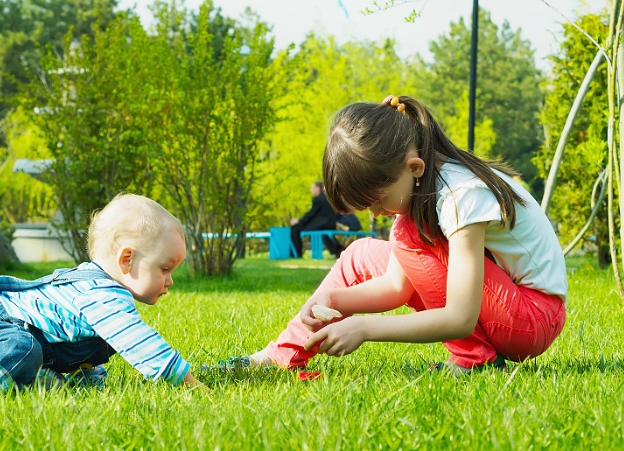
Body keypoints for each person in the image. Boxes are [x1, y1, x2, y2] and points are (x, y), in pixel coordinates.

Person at [217, 95, 567, 375]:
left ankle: (474, 360)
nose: (376, 213)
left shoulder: (462, 195)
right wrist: (334, 302)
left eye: (379, 201)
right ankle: (281, 354)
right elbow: (396, 286)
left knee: (408, 233)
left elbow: (460, 316)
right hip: (503, 303)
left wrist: (365, 329)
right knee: (359, 254)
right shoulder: (427, 189)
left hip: (533, 317)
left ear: (413, 168)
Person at [0, 194, 205, 392]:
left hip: (22, 333)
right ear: (127, 259)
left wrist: (92, 382)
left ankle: (31, 381)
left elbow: (82, 342)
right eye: (165, 269)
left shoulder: (101, 294)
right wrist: (190, 383)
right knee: (24, 349)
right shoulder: (102, 293)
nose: (170, 281)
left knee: (32, 352)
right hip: (8, 324)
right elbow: (140, 343)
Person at [290, 181, 342, 258]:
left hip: (321, 225)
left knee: (295, 229)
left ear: (317, 188)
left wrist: (299, 221)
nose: (311, 190)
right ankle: (338, 250)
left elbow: (311, 214)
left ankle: (297, 254)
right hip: (330, 224)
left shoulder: (318, 199)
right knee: (325, 236)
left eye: (312, 188)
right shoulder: (329, 199)